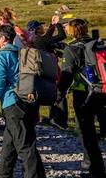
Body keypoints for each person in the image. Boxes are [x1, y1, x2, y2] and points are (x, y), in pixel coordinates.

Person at [0, 24, 45, 178]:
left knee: (25, 145)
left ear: (4, 39)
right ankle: (3, 174)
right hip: (29, 101)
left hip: (13, 103)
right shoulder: (22, 53)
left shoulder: (0, 56)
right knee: (10, 142)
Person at [58, 18, 105, 177]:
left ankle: (94, 168)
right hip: (103, 90)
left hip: (84, 94)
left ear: (71, 31)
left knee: (87, 131)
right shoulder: (97, 43)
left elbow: (66, 76)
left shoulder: (71, 49)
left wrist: (59, 94)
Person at [30, 15, 68, 130]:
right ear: (37, 29)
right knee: (58, 94)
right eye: (41, 26)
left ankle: (39, 119)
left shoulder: (35, 40)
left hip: (41, 71)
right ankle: (58, 120)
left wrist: (52, 25)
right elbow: (62, 35)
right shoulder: (40, 39)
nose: (43, 27)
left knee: (44, 93)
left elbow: (48, 36)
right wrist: (58, 24)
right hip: (51, 70)